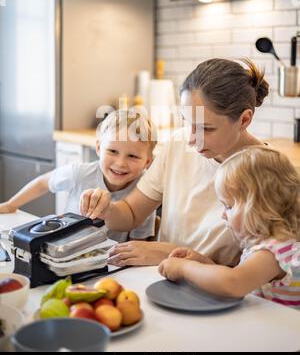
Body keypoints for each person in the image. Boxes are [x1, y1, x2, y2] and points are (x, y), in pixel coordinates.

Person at [80, 58, 269, 267]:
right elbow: (132, 214)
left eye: (206, 128)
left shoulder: (266, 174)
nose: (190, 139)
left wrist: (173, 255)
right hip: (162, 278)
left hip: (216, 294)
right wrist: (107, 209)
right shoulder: (178, 143)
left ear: (244, 120)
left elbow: (258, 275)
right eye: (187, 122)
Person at [159, 146, 300, 307]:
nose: (223, 215)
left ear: (259, 205)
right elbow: (240, 278)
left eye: (229, 206)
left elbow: (234, 283)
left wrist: (185, 269)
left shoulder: (274, 250)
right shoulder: (272, 243)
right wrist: (203, 263)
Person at [0, 110, 157, 243]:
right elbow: (43, 183)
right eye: (112, 151)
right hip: (64, 248)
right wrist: (11, 204)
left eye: (132, 156)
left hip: (109, 263)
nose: (120, 163)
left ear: (147, 162)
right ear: (98, 148)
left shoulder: (146, 194)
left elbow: (139, 242)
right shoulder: (79, 174)